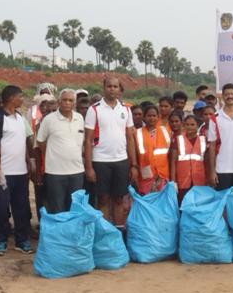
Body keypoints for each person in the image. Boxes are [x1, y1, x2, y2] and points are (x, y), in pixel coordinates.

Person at [84, 76, 137, 225]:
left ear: (120, 89)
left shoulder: (126, 109)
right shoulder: (94, 110)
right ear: (104, 88)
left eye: (115, 86)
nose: (112, 89)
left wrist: (133, 165)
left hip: (121, 161)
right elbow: (87, 140)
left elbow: (130, 138)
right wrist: (89, 167)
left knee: (119, 199)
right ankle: (105, 234)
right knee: (103, 199)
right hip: (100, 161)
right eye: (109, 86)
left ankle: (118, 232)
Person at [0, 85, 34, 255]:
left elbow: (22, 143)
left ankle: (21, 241)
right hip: (5, 172)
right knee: (1, 208)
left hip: (20, 172)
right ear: (11, 98)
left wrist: (29, 162)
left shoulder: (20, 118)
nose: (22, 99)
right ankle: (1, 241)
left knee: (21, 207)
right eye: (20, 96)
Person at [37, 88, 86, 212]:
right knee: (57, 207)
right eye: (64, 100)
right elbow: (41, 141)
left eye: (70, 100)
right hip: (55, 173)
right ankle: (59, 232)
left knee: (74, 207)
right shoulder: (49, 119)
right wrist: (52, 155)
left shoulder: (80, 118)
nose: (67, 103)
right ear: (59, 101)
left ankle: (72, 232)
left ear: (75, 103)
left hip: (77, 171)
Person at [135, 104, 171, 193]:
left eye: (154, 116)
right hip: (145, 174)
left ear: (158, 117)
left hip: (163, 173)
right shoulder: (137, 133)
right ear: (144, 117)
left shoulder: (165, 131)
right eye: (149, 116)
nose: (152, 118)